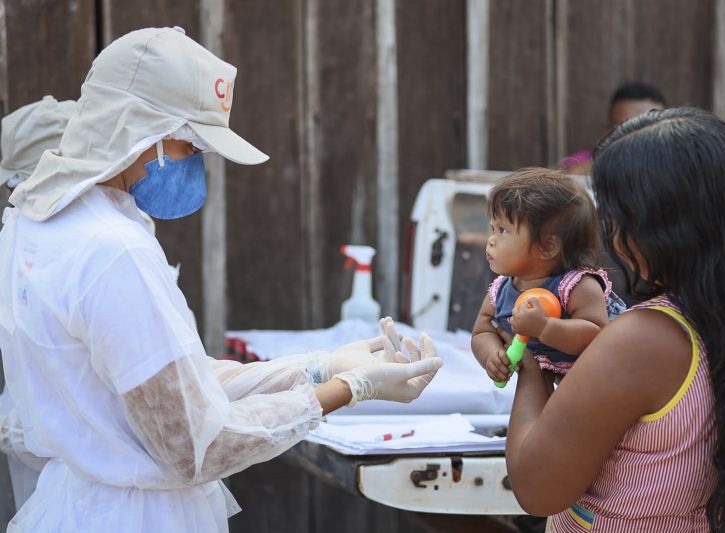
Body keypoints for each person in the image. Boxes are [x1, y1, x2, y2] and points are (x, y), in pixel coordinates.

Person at [0, 27, 442, 532]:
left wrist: (317, 367)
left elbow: (174, 385)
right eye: (190, 147)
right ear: (142, 130)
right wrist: (349, 388)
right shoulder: (113, 251)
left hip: (79, 507)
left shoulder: (33, 222)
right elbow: (195, 444)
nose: (196, 166)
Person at [505, 108, 725, 532]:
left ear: (657, 227)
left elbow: (536, 489)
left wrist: (529, 356)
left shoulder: (643, 340)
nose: (608, 228)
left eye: (613, 213)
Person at [471, 168, 623, 388]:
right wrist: (491, 356)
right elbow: (483, 330)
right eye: (492, 228)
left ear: (548, 247)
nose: (491, 240)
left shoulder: (576, 286)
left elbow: (595, 334)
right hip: (545, 378)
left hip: (599, 379)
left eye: (503, 230)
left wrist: (543, 328)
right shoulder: (501, 289)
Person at [0, 95, 77, 512]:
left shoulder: (107, 247)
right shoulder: (21, 241)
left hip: (99, 488)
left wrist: (19, 431)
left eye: (17, 183)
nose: (13, 198)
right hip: (45, 482)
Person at [560, 82, 667, 175]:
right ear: (607, 131)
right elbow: (565, 183)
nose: (637, 136)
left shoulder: (673, 164)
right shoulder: (581, 162)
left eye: (648, 127)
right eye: (626, 127)